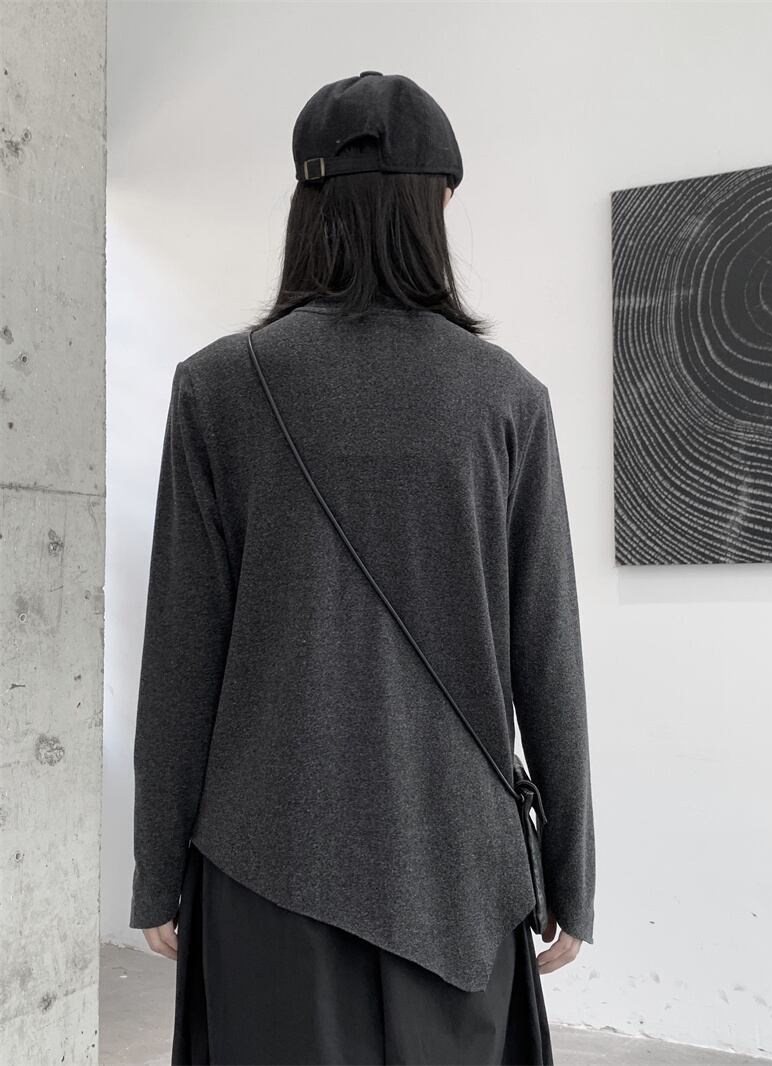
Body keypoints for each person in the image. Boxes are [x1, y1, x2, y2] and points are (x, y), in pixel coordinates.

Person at [128, 71, 596, 1066]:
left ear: (307, 207)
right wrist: (569, 872)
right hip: (458, 876)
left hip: (266, 860)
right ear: (437, 206)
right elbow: (546, 652)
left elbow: (181, 651)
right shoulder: (507, 399)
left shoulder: (216, 388)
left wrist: (155, 866)